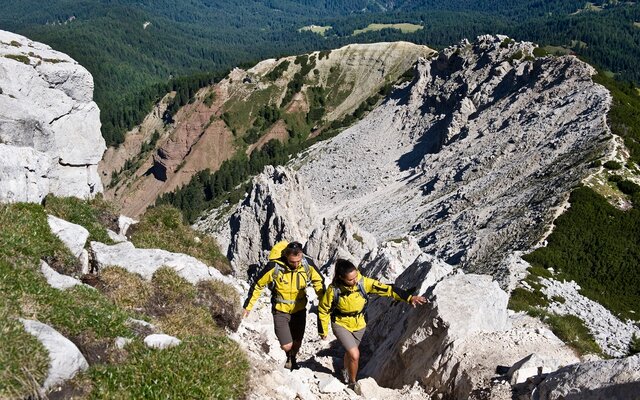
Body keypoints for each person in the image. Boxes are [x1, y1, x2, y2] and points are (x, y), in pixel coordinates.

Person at [318, 258, 427, 390]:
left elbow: (388, 289)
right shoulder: (333, 290)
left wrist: (409, 298)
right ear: (341, 278)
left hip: (360, 324)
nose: (355, 281)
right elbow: (323, 309)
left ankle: (346, 372)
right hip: (341, 323)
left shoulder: (364, 283)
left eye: (356, 276)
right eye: (351, 280)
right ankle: (352, 382)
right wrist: (323, 330)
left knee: (350, 353)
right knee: (354, 354)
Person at [242, 241, 325, 370]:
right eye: (293, 262)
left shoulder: (307, 265)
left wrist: (324, 302)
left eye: (298, 261)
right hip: (280, 310)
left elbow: (319, 283)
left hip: (300, 310)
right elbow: (258, 285)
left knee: (297, 342)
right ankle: (288, 354)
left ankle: (292, 358)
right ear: (286, 257)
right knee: (287, 345)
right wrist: (248, 306)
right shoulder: (274, 267)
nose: (296, 265)